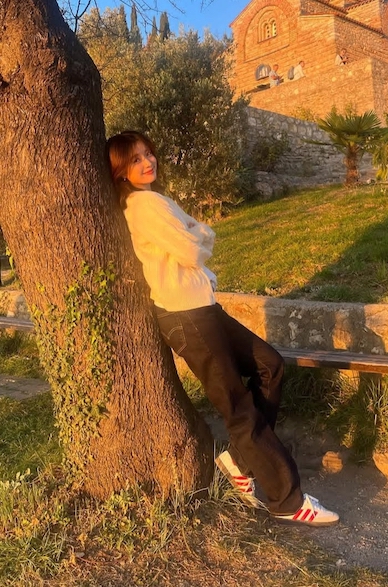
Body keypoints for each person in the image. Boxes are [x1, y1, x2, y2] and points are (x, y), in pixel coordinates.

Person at [105, 130, 339, 527]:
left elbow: (194, 241)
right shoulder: (144, 206)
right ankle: (287, 500)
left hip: (202, 308)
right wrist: (198, 232)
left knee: (269, 364)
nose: (147, 162)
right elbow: (193, 247)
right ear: (121, 172)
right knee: (239, 408)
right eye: (135, 160)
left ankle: (239, 460)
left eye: (148, 153)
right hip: (185, 315)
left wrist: (194, 235)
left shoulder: (155, 200)